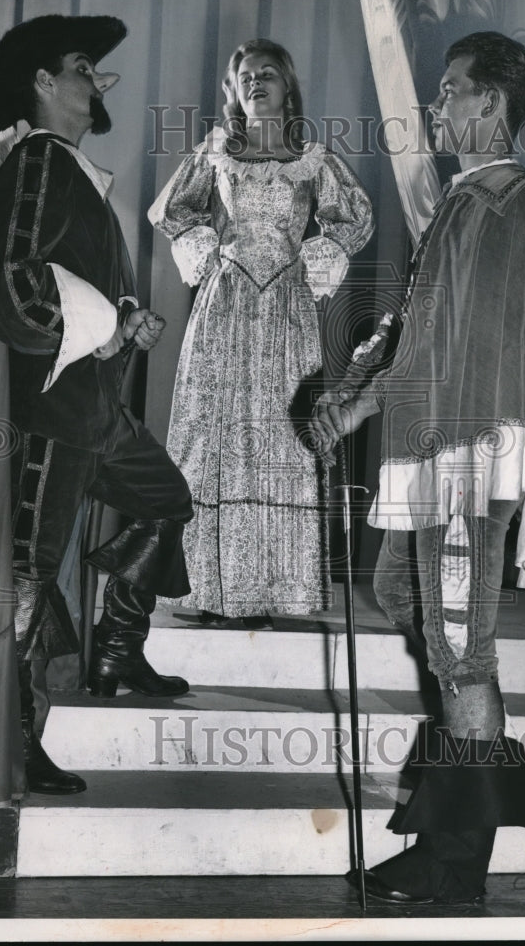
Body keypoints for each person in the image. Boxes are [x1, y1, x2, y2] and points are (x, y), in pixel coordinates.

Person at [311, 31, 525, 904]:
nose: (436, 106)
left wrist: (363, 403)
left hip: (469, 453)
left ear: (490, 103)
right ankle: (466, 784)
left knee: (459, 649)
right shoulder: (467, 201)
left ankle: (455, 860)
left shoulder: (518, 200)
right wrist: (356, 385)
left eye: (450, 90)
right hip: (436, 448)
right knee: (403, 593)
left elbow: (463, 342)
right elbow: (421, 325)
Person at [0, 15, 193, 805]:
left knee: (166, 499)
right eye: (83, 67)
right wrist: (100, 328)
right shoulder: (36, 160)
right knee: (24, 573)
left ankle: (116, 648)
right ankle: (16, 738)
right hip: (47, 412)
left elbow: (64, 278)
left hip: (90, 408)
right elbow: (13, 281)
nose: (99, 81)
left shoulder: (69, 168)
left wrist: (125, 318)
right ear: (42, 82)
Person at [148, 39, 373, 627]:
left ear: (287, 86)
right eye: (244, 76)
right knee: (212, 435)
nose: (255, 82)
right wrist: (210, 252)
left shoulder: (313, 159)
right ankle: (204, 589)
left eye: (267, 73)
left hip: (287, 310)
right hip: (224, 308)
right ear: (233, 90)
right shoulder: (215, 153)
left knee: (283, 438)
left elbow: (356, 217)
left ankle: (272, 591)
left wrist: (313, 260)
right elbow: (172, 212)